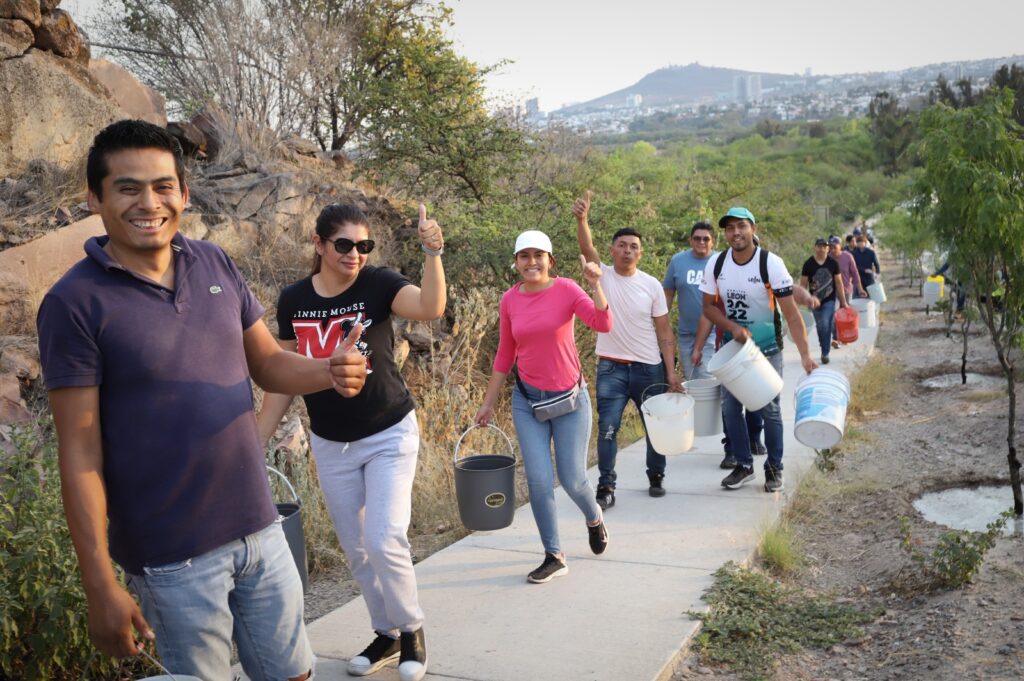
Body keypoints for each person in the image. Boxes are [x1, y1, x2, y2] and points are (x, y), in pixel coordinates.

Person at [36, 120, 368, 681]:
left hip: (260, 527)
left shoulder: (213, 263)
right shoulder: (73, 304)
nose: (150, 202)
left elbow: (265, 363)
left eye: (164, 186)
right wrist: (100, 585)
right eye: (127, 187)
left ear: (184, 195)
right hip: (171, 557)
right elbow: (80, 453)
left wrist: (327, 370)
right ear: (94, 197)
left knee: (295, 674)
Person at [255, 202, 443, 681]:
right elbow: (285, 377)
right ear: (318, 245)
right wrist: (254, 440)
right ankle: (385, 633)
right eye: (344, 245)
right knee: (357, 549)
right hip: (331, 442)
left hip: (388, 431)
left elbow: (429, 307)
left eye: (363, 246)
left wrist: (432, 253)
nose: (355, 254)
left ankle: (412, 631)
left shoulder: (377, 283)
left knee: (384, 539)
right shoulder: (294, 299)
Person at [474, 230, 611, 584]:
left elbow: (603, 323)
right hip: (527, 400)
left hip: (569, 400)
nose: (531, 262)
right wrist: (488, 403)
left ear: (550, 260)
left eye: (539, 255)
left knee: (572, 479)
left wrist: (596, 286)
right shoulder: (509, 300)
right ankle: (553, 554)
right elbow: (505, 354)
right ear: (516, 261)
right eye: (525, 256)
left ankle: (594, 518)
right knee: (537, 480)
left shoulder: (566, 289)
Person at [572, 191, 678, 508]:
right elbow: (585, 249)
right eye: (622, 245)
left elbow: (665, 332)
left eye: (633, 247)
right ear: (612, 250)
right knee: (608, 429)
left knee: (654, 428)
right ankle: (606, 486)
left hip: (649, 368)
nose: (627, 251)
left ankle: (656, 476)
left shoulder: (651, 285)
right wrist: (582, 219)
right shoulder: (601, 276)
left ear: (640, 254)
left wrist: (671, 373)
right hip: (612, 368)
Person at [700, 207, 817, 493]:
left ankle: (774, 468)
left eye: (741, 226)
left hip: (767, 349)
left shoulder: (770, 264)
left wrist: (804, 354)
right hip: (734, 351)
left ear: (753, 228)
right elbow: (708, 308)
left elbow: (791, 314)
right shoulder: (716, 264)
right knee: (730, 407)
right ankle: (743, 464)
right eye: (729, 228)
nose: (735, 233)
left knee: (770, 409)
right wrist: (733, 327)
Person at [665, 221, 766, 469]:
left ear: (713, 241)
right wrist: (663, 325)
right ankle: (707, 432)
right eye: (697, 238)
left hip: (726, 336)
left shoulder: (723, 263)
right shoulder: (679, 262)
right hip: (692, 333)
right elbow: (671, 295)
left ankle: (736, 443)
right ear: (690, 240)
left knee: (725, 390)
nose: (701, 243)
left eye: (706, 239)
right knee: (699, 387)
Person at [800, 238, 849, 364]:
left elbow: (838, 283)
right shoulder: (808, 264)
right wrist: (802, 301)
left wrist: (843, 301)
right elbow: (803, 285)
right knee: (820, 325)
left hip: (829, 300)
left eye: (825, 247)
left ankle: (825, 353)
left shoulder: (833, 263)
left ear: (828, 249)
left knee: (825, 323)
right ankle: (823, 347)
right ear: (815, 248)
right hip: (814, 301)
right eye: (820, 246)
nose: (822, 249)